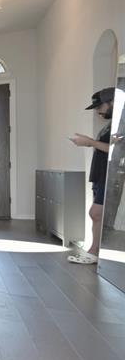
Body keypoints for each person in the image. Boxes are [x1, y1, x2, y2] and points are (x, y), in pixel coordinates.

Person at [68, 87, 114, 264]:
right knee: (96, 215)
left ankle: (94, 251)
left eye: (99, 106)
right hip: (100, 174)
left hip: (108, 176)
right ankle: (94, 252)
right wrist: (89, 143)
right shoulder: (110, 125)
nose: (97, 111)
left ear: (112, 103)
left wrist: (90, 142)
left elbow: (116, 151)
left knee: (95, 213)